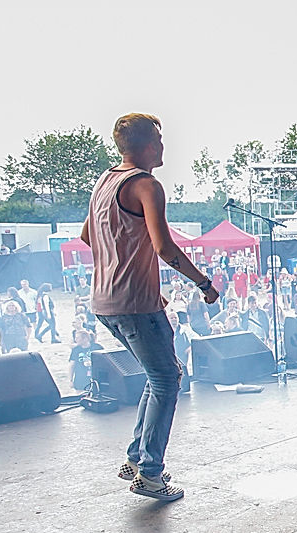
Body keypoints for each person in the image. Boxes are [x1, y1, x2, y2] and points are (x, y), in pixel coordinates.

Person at [82, 113, 219, 502]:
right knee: (166, 380)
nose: (163, 146)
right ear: (148, 145)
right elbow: (164, 247)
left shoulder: (104, 182)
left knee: (159, 374)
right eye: (159, 139)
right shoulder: (146, 185)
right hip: (136, 305)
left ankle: (135, 458)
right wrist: (204, 284)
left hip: (105, 303)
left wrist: (122, 269)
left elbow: (88, 235)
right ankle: (150, 474)